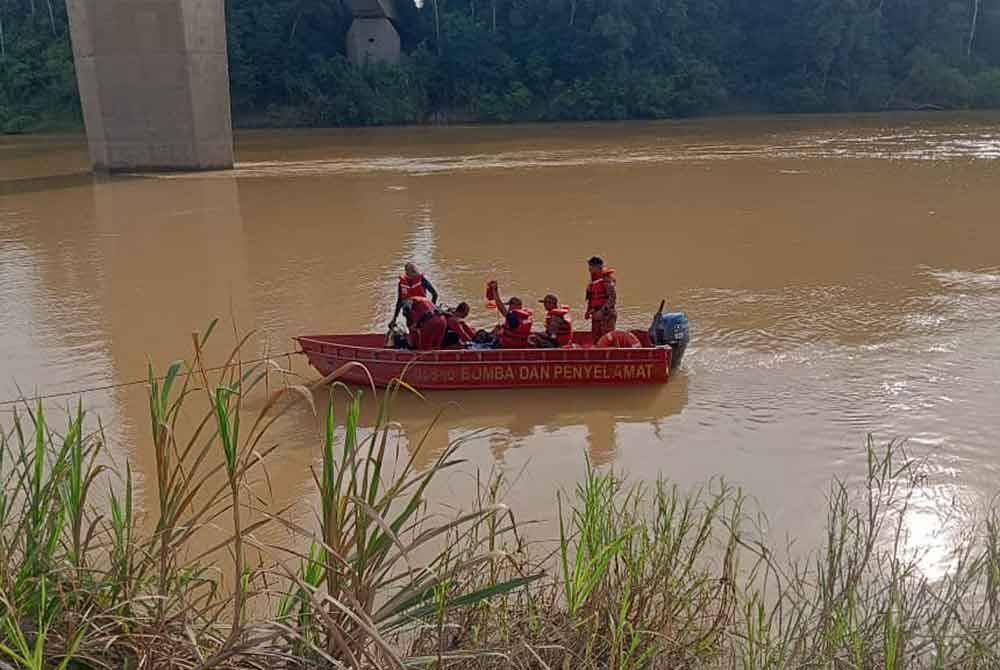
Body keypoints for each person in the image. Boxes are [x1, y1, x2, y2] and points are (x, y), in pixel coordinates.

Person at [391, 263, 438, 328]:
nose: (415, 275)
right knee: (406, 305)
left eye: (415, 272)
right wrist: (394, 319)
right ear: (407, 273)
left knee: (407, 307)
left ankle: (413, 326)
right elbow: (399, 301)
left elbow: (435, 294)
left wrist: (432, 309)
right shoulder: (402, 283)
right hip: (413, 310)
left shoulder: (421, 280)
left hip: (420, 308)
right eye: (413, 273)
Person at [488, 281, 533, 349]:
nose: (509, 307)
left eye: (510, 304)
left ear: (517, 305)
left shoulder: (513, 317)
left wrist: (495, 290)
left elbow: (500, 307)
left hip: (508, 346)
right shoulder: (525, 316)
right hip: (520, 344)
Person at [584, 256, 617, 342]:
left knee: (607, 339)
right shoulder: (593, 281)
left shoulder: (606, 279)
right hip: (595, 313)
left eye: (591, 266)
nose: (589, 269)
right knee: (596, 339)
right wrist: (588, 311)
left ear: (597, 267)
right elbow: (591, 298)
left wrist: (602, 311)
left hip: (606, 314)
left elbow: (612, 297)